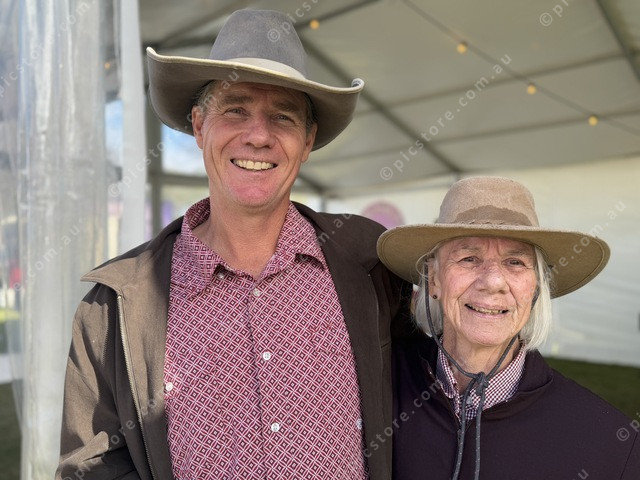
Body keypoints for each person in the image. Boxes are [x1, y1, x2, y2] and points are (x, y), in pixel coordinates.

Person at [56, 9, 410, 480]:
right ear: (200, 125)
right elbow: (91, 468)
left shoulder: (371, 262)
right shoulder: (113, 307)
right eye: (236, 109)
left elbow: (438, 397)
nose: (258, 135)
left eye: (282, 116)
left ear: (307, 142)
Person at [377, 176, 640, 479]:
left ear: (536, 287)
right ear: (434, 279)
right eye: (469, 258)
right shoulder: (379, 388)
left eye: (515, 262)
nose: (493, 282)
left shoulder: (612, 445)